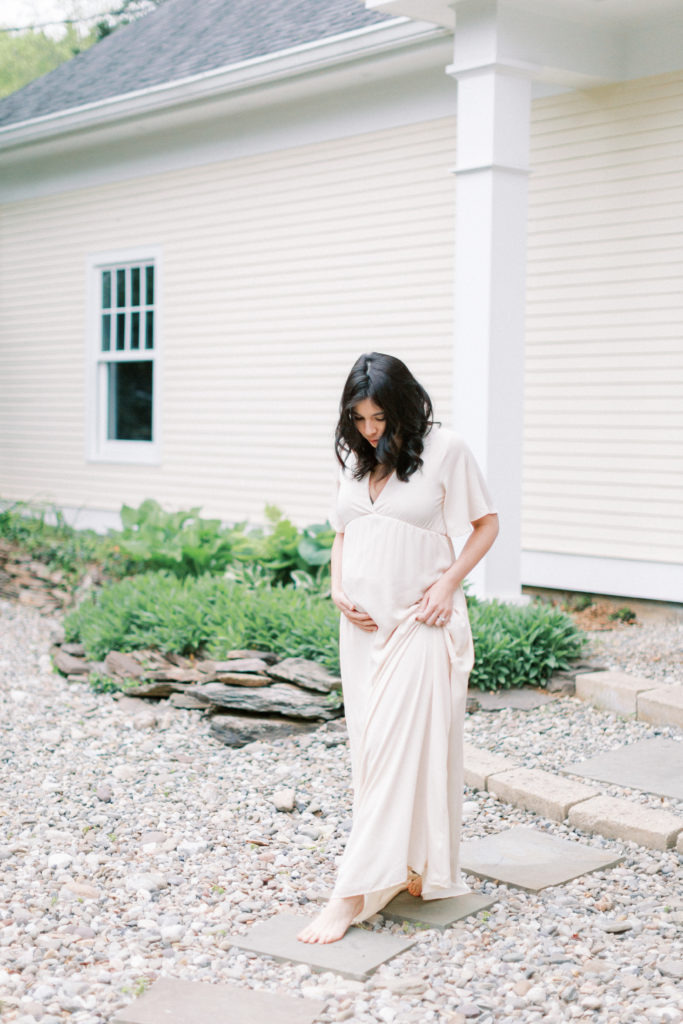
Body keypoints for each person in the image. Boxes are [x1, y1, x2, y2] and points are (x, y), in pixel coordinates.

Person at [297, 352, 499, 945]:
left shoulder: (447, 449)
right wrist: (337, 586)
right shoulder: (356, 460)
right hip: (361, 633)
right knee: (372, 755)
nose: (369, 429)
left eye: (379, 416)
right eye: (358, 418)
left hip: (419, 623)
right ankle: (409, 866)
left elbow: (486, 524)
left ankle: (349, 895)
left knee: (394, 755)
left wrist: (447, 582)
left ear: (404, 404)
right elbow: (343, 531)